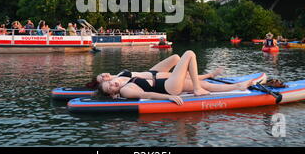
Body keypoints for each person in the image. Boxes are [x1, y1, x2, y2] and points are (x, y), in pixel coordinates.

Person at [97, 51, 255, 105]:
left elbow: (100, 79)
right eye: (110, 88)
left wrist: (103, 78)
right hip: (169, 88)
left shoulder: (119, 79)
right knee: (189, 54)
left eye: (109, 83)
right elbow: (146, 95)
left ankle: (238, 87)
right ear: (112, 94)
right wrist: (170, 97)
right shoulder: (125, 90)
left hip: (166, 82)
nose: (111, 85)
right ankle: (197, 88)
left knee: (206, 84)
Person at [93, 54, 224, 88]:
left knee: (176, 58)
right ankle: (210, 75)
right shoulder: (119, 84)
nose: (104, 75)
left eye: (101, 74)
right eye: (102, 78)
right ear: (104, 83)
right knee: (184, 77)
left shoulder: (117, 76)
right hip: (156, 77)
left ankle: (192, 73)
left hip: (153, 70)